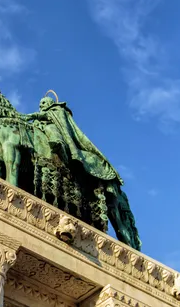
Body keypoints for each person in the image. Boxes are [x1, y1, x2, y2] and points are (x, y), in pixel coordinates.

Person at [24, 94, 141, 250]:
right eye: (40, 104)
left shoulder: (57, 111)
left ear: (51, 103)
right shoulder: (41, 121)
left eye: (44, 102)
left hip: (58, 134)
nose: (42, 105)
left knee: (53, 132)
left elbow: (50, 117)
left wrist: (31, 115)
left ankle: (62, 153)